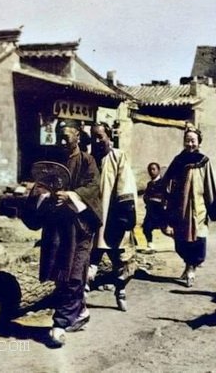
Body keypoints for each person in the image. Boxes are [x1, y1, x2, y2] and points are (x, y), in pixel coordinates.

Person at [21, 120, 102, 348]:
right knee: (60, 274)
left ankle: (60, 323)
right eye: (60, 137)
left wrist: (72, 195)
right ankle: (81, 310)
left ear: (78, 135)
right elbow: (41, 186)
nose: (63, 141)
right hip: (57, 227)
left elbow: (93, 187)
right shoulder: (53, 161)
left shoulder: (88, 161)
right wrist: (44, 194)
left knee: (75, 274)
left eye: (68, 136)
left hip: (80, 226)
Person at [162, 125, 216, 287]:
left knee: (198, 238)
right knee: (180, 241)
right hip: (180, 208)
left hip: (199, 207)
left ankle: (191, 268)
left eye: (193, 141)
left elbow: (211, 183)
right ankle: (187, 263)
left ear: (199, 143)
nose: (190, 144)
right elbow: (167, 182)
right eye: (187, 141)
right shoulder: (178, 161)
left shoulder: (203, 161)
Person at [88, 122, 137, 312]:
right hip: (93, 215)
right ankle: (81, 300)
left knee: (120, 258)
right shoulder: (90, 159)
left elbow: (125, 184)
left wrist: (125, 213)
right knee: (91, 256)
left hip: (114, 215)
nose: (98, 140)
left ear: (109, 136)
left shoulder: (118, 156)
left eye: (101, 136)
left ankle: (121, 290)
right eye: (94, 137)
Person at [143, 162, 166, 254]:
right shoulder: (149, 184)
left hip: (161, 210)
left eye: (153, 169)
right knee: (146, 227)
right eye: (150, 170)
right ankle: (150, 245)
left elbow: (165, 195)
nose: (151, 171)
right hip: (151, 210)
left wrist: (156, 199)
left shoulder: (163, 182)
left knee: (166, 229)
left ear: (158, 170)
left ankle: (181, 244)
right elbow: (146, 195)